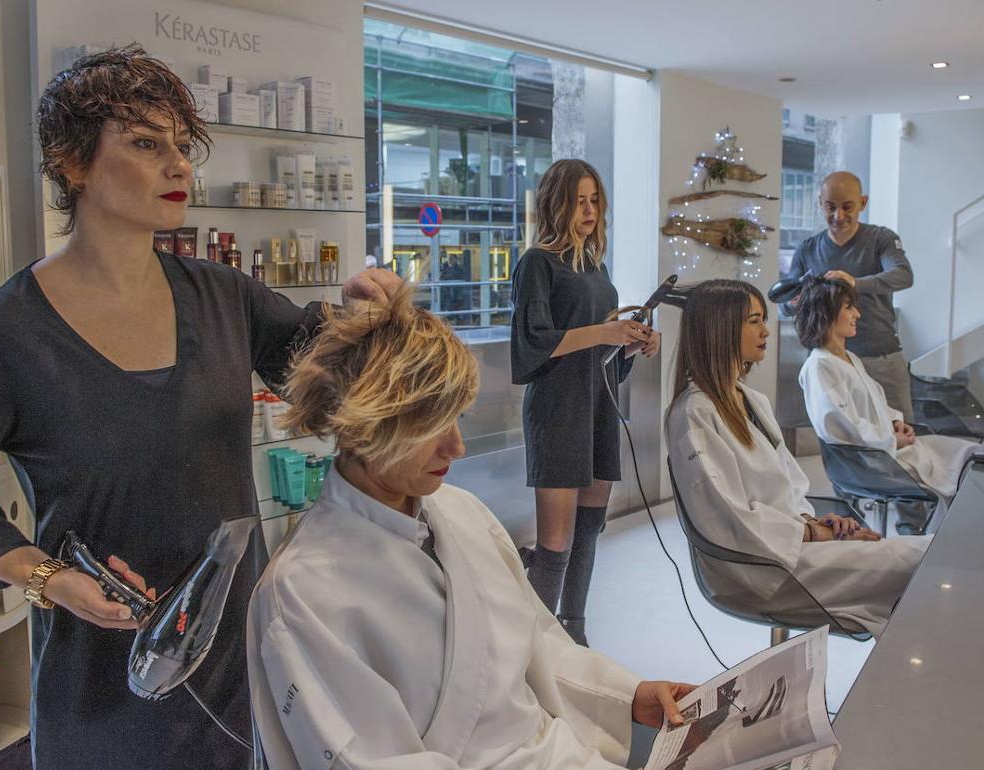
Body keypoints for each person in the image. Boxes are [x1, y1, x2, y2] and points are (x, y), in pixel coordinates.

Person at [0, 46, 401, 769]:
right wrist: (50, 579)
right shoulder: (4, 335)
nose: (179, 165)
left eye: (182, 146)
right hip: (102, 661)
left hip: (230, 644)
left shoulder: (223, 297)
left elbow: (322, 373)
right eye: (146, 144)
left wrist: (360, 317)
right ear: (72, 163)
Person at [248, 286, 693, 769]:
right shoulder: (302, 593)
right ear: (363, 425)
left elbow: (534, 640)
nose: (456, 447)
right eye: (430, 426)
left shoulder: (462, 512)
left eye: (456, 417)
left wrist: (628, 696)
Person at [664, 279, 929, 637]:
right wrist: (811, 533)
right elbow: (726, 517)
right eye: (754, 321)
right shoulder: (694, 413)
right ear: (719, 330)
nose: (766, 331)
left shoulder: (751, 400)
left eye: (764, 320)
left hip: (789, 545)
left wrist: (819, 523)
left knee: (925, 555)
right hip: (760, 568)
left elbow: (786, 485)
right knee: (921, 563)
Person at [509, 159, 659, 645]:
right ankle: (532, 650)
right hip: (557, 411)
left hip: (597, 406)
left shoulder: (595, 267)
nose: (590, 210)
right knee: (555, 544)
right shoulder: (537, 264)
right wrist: (605, 331)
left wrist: (630, 344)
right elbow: (532, 343)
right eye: (579, 201)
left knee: (590, 531)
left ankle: (574, 636)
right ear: (556, 204)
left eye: (595, 201)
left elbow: (600, 353)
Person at [795, 276, 978, 502]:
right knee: (964, 464)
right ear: (826, 313)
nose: (857, 315)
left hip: (886, 448)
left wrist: (895, 422)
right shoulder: (819, 366)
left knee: (969, 454)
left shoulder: (850, 358)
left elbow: (872, 403)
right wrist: (891, 440)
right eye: (849, 307)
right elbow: (840, 426)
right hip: (871, 460)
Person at [779, 171, 916, 421]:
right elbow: (784, 304)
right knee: (837, 432)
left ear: (863, 203)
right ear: (820, 203)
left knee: (899, 429)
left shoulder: (881, 239)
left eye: (847, 207)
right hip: (830, 361)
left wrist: (855, 283)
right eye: (830, 207)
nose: (838, 216)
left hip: (880, 357)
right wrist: (793, 304)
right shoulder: (807, 249)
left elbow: (903, 276)